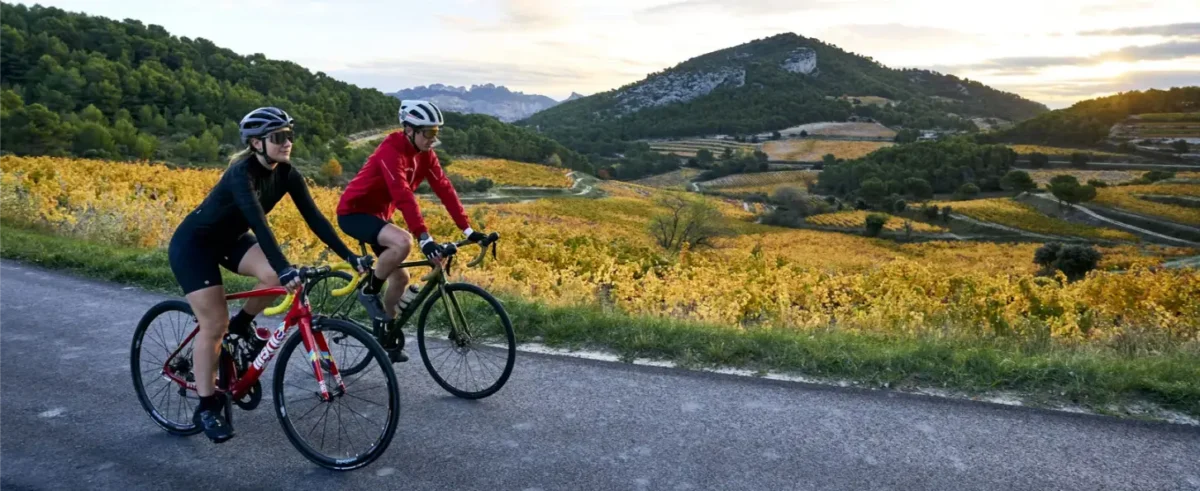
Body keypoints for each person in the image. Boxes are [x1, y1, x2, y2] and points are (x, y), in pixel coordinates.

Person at [167, 106, 370, 444]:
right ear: (257, 143)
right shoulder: (240, 175)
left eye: (289, 135)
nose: (287, 142)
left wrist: (350, 256)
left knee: (274, 279)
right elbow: (260, 224)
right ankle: (206, 406)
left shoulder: (287, 173)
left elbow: (315, 219)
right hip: (195, 245)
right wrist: (285, 265)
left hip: (231, 241)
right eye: (279, 137)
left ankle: (242, 325)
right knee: (213, 325)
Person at [336, 100, 488, 362]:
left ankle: (385, 332)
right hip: (354, 213)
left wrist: (468, 230)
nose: (433, 138)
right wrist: (424, 238)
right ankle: (369, 291)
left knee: (401, 278)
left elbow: (445, 189)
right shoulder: (391, 149)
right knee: (403, 242)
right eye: (428, 132)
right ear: (409, 129)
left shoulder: (425, 154)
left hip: (380, 217)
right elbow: (403, 194)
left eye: (436, 133)